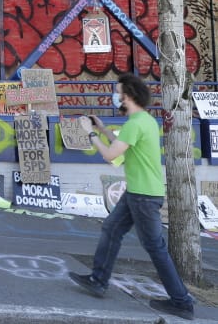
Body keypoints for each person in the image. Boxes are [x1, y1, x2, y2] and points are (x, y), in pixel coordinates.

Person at [69, 73, 195, 321]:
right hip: (138, 193)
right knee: (111, 229)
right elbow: (123, 148)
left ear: (128, 95)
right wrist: (103, 129)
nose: (115, 96)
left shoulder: (135, 123)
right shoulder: (143, 121)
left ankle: (181, 302)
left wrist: (90, 134)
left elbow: (110, 155)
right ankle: (98, 279)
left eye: (118, 92)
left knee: (155, 248)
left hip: (144, 196)